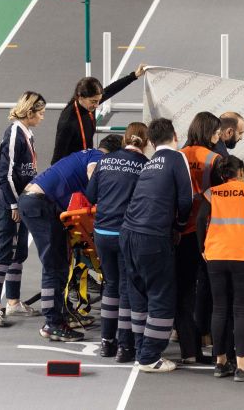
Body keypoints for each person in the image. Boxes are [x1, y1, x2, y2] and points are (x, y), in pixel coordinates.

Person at [19, 135, 122, 342]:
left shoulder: (82, 154)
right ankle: (53, 324)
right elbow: (93, 173)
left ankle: (60, 316)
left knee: (61, 263)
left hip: (39, 202)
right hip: (41, 204)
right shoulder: (97, 157)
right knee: (54, 266)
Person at [120, 118, 193, 372]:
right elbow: (186, 199)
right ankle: (151, 357)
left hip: (128, 233)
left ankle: (142, 350)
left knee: (138, 294)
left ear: (150, 142)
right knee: (162, 295)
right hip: (153, 236)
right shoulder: (177, 158)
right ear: (175, 135)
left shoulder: (149, 164)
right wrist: (179, 228)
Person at [85, 123, 149, 363]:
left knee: (110, 286)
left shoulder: (106, 160)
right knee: (125, 289)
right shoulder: (144, 166)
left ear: (125, 139)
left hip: (102, 232)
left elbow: (90, 195)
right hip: (125, 234)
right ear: (146, 142)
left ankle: (106, 341)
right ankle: (125, 346)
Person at [196, 156, 244, 382]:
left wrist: (202, 248)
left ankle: (221, 362)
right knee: (242, 309)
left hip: (216, 255)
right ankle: (242, 367)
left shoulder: (211, 193)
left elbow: (200, 220)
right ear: (241, 172)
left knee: (219, 308)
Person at [0, 91, 45, 326]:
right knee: (5, 252)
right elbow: (4, 175)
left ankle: (13, 302)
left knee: (19, 253)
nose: (42, 118)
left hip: (22, 202)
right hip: (8, 203)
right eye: (40, 113)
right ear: (29, 112)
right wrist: (13, 204)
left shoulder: (28, 134)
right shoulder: (13, 134)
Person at [177, 112, 223, 364]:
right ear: (209, 132)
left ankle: (189, 347)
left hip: (181, 230)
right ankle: (209, 337)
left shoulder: (180, 155)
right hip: (205, 231)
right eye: (216, 133)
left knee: (183, 289)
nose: (218, 137)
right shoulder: (214, 159)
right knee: (208, 287)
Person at [51, 64, 146, 165]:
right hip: (72, 168)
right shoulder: (67, 122)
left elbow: (111, 90)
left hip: (87, 160)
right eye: (93, 101)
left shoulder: (88, 104)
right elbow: (57, 159)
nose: (97, 105)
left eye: (99, 101)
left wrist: (134, 75)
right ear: (80, 97)